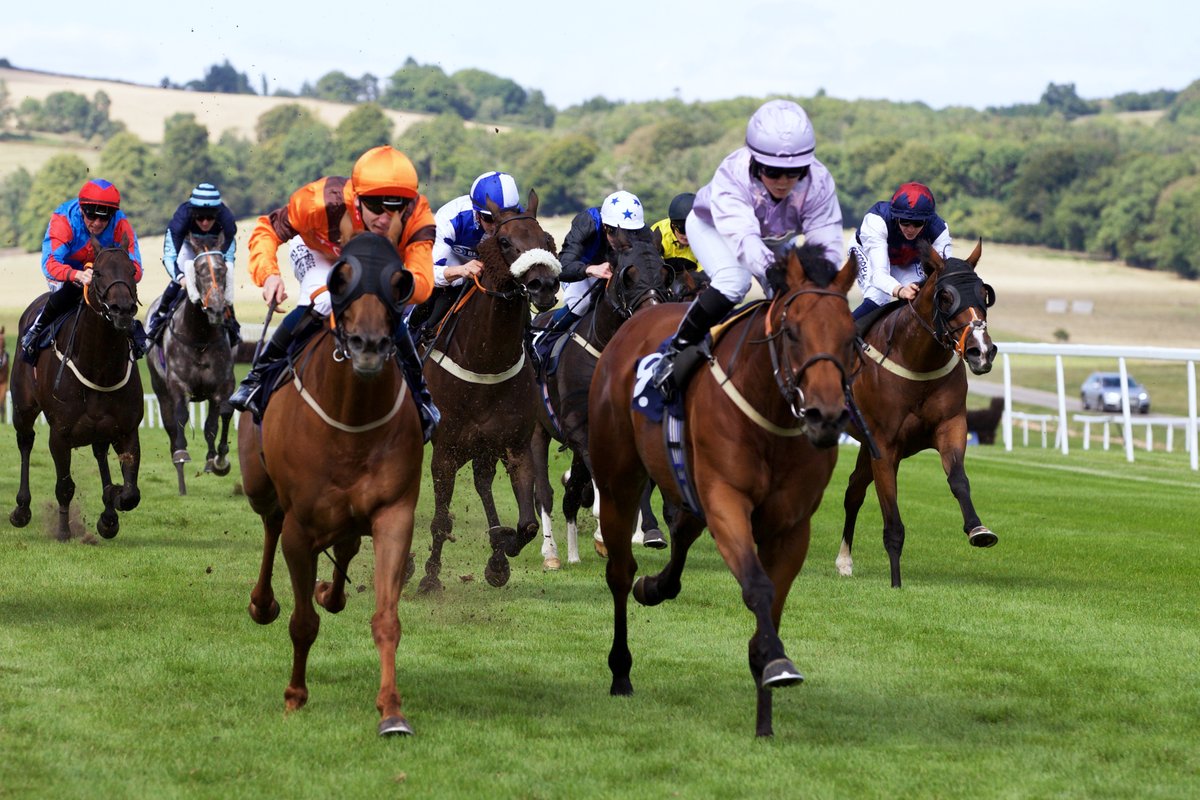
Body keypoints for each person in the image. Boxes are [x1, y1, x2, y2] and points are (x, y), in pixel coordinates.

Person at [229, 145, 439, 441]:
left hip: (376, 264)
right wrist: (269, 275)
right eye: (375, 206)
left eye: (396, 207)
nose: (385, 219)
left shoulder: (418, 215)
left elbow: (422, 282)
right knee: (326, 299)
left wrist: (392, 290)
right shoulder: (318, 202)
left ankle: (421, 395)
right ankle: (258, 377)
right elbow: (267, 230)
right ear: (357, 198)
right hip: (319, 252)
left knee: (385, 309)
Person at [651, 99, 844, 400]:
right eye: (773, 171)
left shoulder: (819, 181)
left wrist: (824, 283)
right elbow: (745, 240)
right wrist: (777, 272)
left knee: (804, 297)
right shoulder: (734, 174)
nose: (784, 181)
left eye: (794, 172)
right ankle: (675, 351)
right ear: (756, 162)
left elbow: (826, 240)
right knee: (735, 281)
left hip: (772, 237)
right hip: (714, 227)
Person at [20, 178, 147, 363]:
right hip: (66, 272)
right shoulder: (64, 220)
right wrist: (76, 274)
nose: (97, 223)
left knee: (119, 296)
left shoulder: (121, 223)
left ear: (112, 214)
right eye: (91, 216)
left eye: (104, 218)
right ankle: (36, 329)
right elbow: (50, 264)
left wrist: (113, 276)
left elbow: (136, 269)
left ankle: (133, 334)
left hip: (101, 275)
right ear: (81, 209)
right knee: (72, 290)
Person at [408, 171, 522, 344]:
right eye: (489, 218)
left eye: (503, 218)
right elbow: (428, 274)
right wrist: (461, 270)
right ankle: (409, 339)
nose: (496, 226)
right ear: (477, 213)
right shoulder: (450, 219)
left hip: (485, 273)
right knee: (428, 304)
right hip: (449, 270)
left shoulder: (519, 220)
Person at [146, 182, 240, 346]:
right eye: (200, 217)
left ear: (217, 213)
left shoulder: (227, 220)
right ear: (192, 213)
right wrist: (181, 277)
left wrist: (222, 272)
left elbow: (229, 258)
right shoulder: (181, 218)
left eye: (210, 217)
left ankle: (232, 323)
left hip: (215, 246)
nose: (205, 222)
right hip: (188, 245)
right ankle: (160, 316)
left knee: (219, 277)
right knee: (183, 271)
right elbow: (169, 257)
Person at [547, 189, 645, 332]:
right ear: (605, 226)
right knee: (581, 304)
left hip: (618, 272)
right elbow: (561, 267)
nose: (622, 240)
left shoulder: (641, 229)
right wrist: (590, 269)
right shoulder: (587, 222)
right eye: (616, 232)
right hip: (581, 271)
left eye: (630, 232)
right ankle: (545, 337)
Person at [851, 181, 952, 320]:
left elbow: (943, 272)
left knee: (918, 297)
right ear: (895, 216)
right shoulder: (877, 220)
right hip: (867, 253)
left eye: (917, 223)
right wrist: (899, 290)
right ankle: (841, 332)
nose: (910, 229)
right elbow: (879, 274)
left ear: (927, 220)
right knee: (878, 299)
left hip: (906, 261)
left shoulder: (939, 230)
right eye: (905, 221)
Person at [650, 192, 703, 273]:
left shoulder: (706, 238)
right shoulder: (659, 231)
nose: (686, 235)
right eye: (682, 228)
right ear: (672, 224)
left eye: (692, 230)